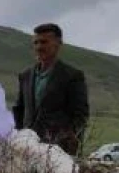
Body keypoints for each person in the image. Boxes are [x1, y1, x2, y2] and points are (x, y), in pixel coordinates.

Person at [12, 23, 89, 156]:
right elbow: (19, 110)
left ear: (58, 43)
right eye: (35, 43)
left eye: (44, 42)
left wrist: (68, 140)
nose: (39, 47)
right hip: (28, 149)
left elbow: (80, 115)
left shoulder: (72, 76)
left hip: (58, 152)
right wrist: (19, 137)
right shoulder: (25, 76)